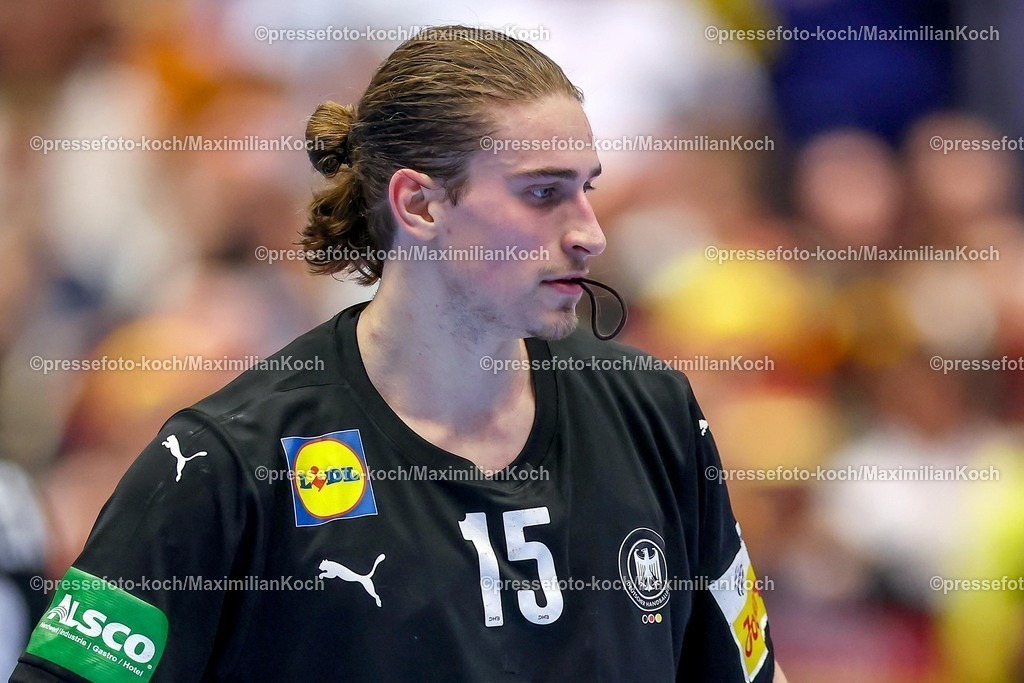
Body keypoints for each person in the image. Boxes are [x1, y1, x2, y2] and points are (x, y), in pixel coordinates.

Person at [12, 25, 786, 682]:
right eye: (544, 193)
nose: (590, 230)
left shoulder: (654, 414)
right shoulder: (224, 463)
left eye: (588, 188)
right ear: (420, 203)